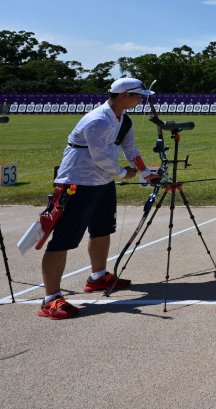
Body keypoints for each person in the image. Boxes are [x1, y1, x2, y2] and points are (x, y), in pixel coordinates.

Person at [39, 78, 159, 320]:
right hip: (78, 183)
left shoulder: (123, 119)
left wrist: (146, 173)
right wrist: (125, 173)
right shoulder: (98, 120)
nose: (142, 100)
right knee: (62, 240)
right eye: (139, 96)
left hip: (103, 182)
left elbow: (131, 149)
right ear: (124, 95)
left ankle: (98, 277)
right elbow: (100, 157)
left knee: (102, 229)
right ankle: (50, 299)